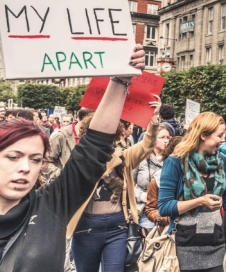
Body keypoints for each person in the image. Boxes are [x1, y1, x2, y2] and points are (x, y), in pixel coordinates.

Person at [0, 44, 146, 271]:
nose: (25, 167)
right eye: (13, 157)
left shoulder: (51, 205)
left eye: (35, 159)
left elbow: (95, 146)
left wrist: (120, 80)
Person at [69, 98, 161, 272]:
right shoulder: (80, 160)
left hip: (117, 226)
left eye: (111, 136)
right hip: (86, 227)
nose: (107, 142)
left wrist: (154, 119)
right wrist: (113, 160)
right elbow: (98, 172)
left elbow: (147, 144)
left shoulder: (124, 157)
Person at [158, 112, 226, 272]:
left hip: (216, 247)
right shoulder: (175, 162)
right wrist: (200, 201)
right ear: (203, 135)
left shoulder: (222, 160)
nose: (223, 139)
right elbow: (164, 206)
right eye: (220, 135)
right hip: (183, 249)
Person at [133, 122, 172, 232]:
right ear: (153, 139)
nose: (166, 140)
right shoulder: (140, 158)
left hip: (165, 210)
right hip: (144, 210)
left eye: (168, 137)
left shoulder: (173, 159)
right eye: (162, 137)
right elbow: (128, 185)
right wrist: (141, 196)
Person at [41, 108, 92, 183]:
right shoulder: (60, 136)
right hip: (64, 186)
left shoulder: (93, 137)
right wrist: (63, 176)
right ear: (84, 119)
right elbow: (45, 163)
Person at [145, 136, 183, 229]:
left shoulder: (196, 177)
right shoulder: (157, 179)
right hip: (167, 232)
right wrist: (168, 218)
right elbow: (150, 209)